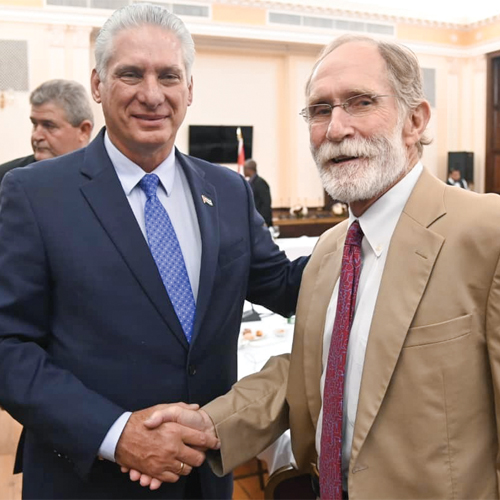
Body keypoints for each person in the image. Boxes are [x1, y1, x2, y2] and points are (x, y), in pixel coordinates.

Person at [140, 34, 500, 500]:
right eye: (320, 110)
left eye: (361, 102)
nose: (336, 128)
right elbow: (318, 370)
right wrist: (211, 423)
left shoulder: (486, 234)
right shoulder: (332, 250)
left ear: (416, 120)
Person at [0, 3, 307, 500]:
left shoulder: (228, 192)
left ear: (189, 89)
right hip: (89, 483)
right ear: (98, 85)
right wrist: (115, 435)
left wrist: (371, 237)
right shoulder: (35, 195)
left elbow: (285, 285)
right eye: (130, 74)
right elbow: (8, 346)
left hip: (204, 481)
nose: (151, 94)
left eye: (168, 76)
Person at [0, 79, 93, 183]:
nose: (36, 136)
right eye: (34, 124)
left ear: (84, 130)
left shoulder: (107, 176)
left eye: (49, 126)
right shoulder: (7, 179)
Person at [243, 159, 273, 227]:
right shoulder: (250, 183)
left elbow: (266, 203)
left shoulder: (260, 183)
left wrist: (263, 220)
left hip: (261, 222)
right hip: (254, 221)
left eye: (244, 168)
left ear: (249, 169)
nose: (243, 171)